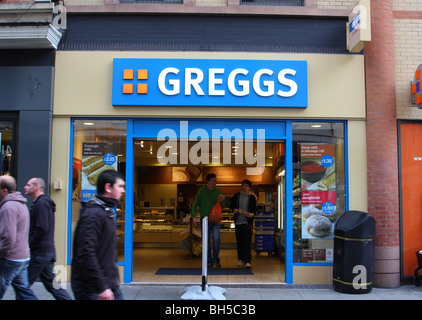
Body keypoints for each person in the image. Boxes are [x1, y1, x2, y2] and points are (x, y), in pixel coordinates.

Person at [71, 169, 125, 300]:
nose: (123, 191)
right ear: (108, 187)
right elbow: (86, 253)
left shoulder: (105, 212)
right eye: (120, 186)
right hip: (92, 289)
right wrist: (101, 287)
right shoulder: (93, 215)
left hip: (108, 284)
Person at [24, 177, 72, 300]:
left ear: (36, 187)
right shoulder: (42, 203)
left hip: (40, 253)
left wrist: (29, 244)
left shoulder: (41, 204)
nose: (25, 187)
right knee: (53, 285)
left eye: (28, 185)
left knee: (23, 285)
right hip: (45, 252)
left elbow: (41, 228)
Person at [0, 175, 37, 300]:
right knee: (24, 292)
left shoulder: (8, 207)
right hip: (22, 257)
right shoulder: (21, 204)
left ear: (4, 190)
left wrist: (1, 252)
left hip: (11, 258)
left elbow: (8, 237)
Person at [191, 173, 224, 268]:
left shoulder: (218, 191)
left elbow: (223, 206)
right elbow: (195, 204)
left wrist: (221, 202)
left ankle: (216, 259)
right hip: (205, 220)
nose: (215, 183)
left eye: (215, 181)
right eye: (213, 181)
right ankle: (209, 260)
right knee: (206, 241)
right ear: (208, 182)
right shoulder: (201, 191)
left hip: (216, 220)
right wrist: (194, 216)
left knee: (216, 239)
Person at [230, 179, 256, 268]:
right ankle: (240, 259)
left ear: (249, 187)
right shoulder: (237, 196)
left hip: (247, 223)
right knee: (239, 242)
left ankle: (248, 261)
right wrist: (233, 210)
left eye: (246, 186)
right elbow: (231, 206)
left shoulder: (252, 197)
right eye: (243, 185)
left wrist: (251, 215)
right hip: (238, 223)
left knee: (247, 242)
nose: (244, 187)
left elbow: (254, 211)